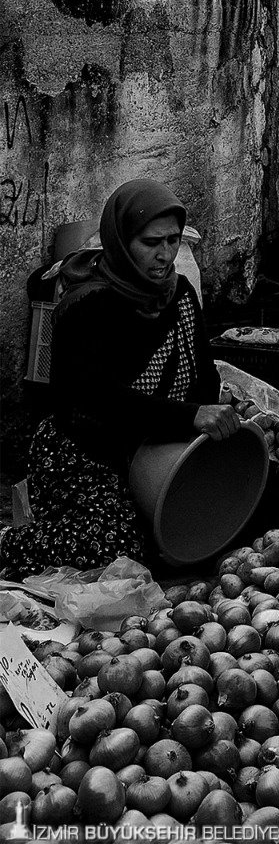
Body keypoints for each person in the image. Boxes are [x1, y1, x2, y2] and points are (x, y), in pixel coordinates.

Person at [0, 179, 236, 579]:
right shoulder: (87, 307)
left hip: (160, 446)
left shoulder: (178, 294)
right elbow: (97, 403)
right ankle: (9, 541)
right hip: (88, 451)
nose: (165, 255)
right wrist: (189, 417)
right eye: (151, 242)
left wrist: (213, 423)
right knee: (119, 547)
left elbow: (204, 376)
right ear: (122, 241)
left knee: (274, 490)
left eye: (173, 240)